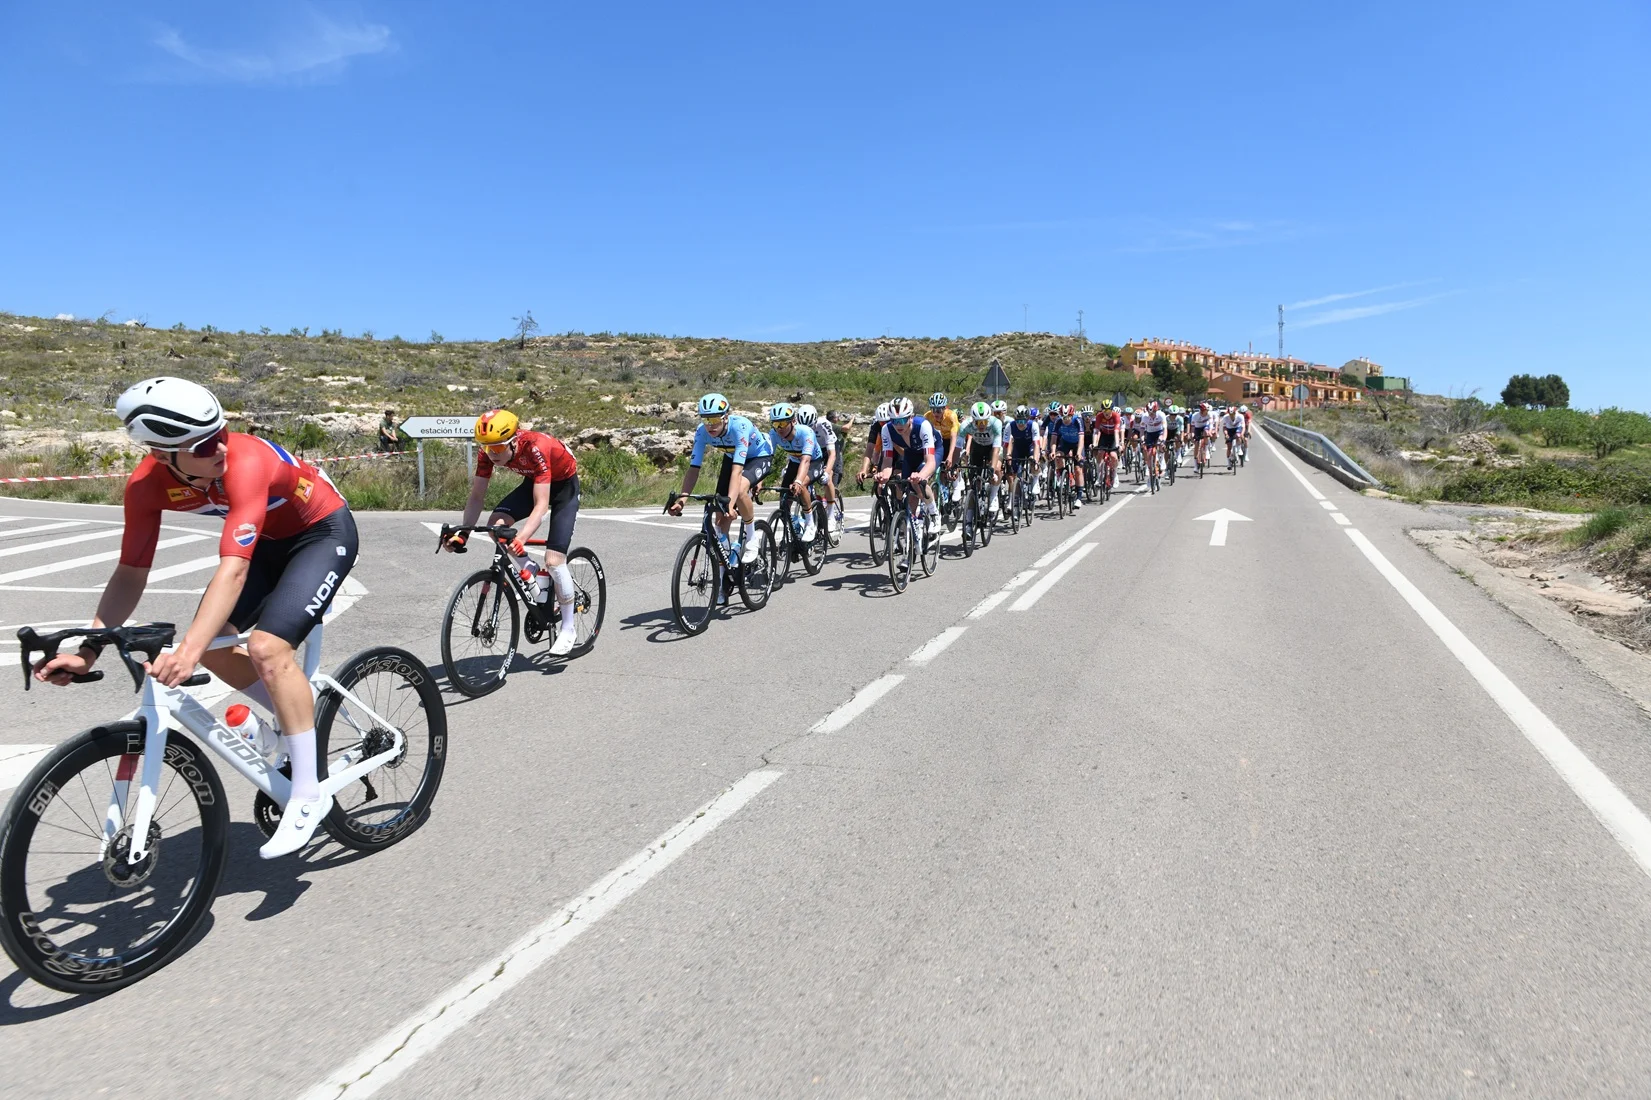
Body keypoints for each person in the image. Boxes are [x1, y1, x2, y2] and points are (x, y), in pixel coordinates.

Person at [32, 377, 357, 859]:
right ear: (163, 455)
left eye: (221, 431)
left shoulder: (244, 462)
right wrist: (88, 648)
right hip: (267, 545)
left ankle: (308, 792)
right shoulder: (145, 486)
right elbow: (130, 572)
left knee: (267, 648)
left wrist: (185, 653)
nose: (220, 447)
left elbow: (234, 566)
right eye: (204, 444)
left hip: (322, 532)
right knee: (213, 645)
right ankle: (295, 711)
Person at [445, 409, 584, 656]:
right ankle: (528, 568)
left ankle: (568, 628)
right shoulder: (489, 451)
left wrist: (521, 538)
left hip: (564, 487)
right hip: (534, 483)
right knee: (496, 526)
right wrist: (463, 533)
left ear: (514, 440)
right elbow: (477, 496)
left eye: (498, 449)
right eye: (488, 449)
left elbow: (541, 506)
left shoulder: (535, 447)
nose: (492, 454)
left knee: (553, 560)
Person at [667, 393, 774, 564]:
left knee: (738, 493)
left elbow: (737, 472)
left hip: (758, 456)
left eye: (715, 419)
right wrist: (682, 500)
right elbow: (694, 469)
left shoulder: (740, 427)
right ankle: (725, 570)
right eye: (706, 420)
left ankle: (752, 537)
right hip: (732, 457)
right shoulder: (702, 432)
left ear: (726, 417)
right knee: (719, 520)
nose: (711, 425)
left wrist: (730, 505)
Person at [766, 402, 822, 542]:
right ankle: (792, 525)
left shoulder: (806, 433)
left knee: (801, 485)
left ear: (793, 421)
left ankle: (810, 523)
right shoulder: (774, 433)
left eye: (783, 423)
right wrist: (759, 481)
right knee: (784, 498)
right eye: (776, 424)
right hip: (794, 462)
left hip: (814, 462)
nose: (780, 428)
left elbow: (805, 461)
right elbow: (767, 457)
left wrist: (797, 481)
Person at [795, 405, 840, 534]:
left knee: (828, 478)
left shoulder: (824, 424)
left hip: (827, 450)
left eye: (810, 427)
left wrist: (826, 472)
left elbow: (832, 454)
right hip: (810, 453)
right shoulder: (797, 426)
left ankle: (831, 515)